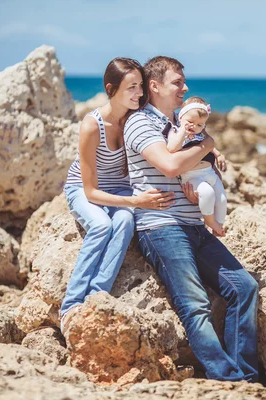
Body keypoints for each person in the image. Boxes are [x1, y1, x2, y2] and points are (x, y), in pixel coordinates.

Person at [123, 56, 259, 382]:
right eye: (177, 82)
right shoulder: (141, 122)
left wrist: (204, 151)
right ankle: (228, 378)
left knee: (245, 288)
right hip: (162, 228)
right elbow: (170, 166)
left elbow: (189, 166)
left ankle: (246, 377)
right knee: (195, 304)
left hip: (195, 225)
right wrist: (208, 144)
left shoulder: (181, 124)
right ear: (154, 86)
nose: (185, 88)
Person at [60, 58, 175, 337]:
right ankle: (70, 305)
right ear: (111, 89)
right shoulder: (92, 125)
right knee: (101, 226)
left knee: (124, 222)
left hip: (120, 189)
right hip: (85, 189)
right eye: (131, 88)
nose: (138, 94)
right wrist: (136, 202)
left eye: (140, 87)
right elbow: (90, 191)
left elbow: (178, 131)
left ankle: (97, 296)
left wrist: (213, 151)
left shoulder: (137, 118)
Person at [166, 96, 227, 236]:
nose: (194, 126)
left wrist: (218, 155)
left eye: (200, 125)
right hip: (192, 176)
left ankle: (219, 225)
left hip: (209, 173)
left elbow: (210, 145)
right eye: (190, 122)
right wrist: (183, 131)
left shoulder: (200, 134)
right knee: (207, 193)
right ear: (181, 117)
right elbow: (172, 148)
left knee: (222, 199)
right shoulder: (175, 132)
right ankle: (210, 222)